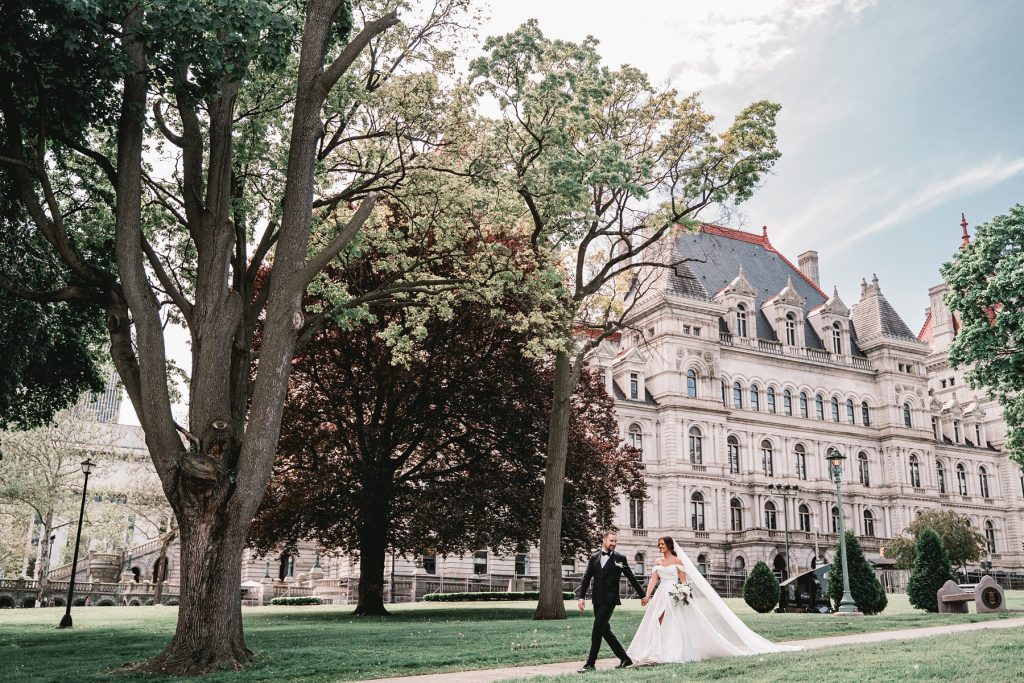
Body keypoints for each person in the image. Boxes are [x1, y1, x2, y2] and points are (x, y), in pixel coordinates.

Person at [627, 536, 802, 665]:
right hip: (660, 594)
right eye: (659, 545)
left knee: (669, 621)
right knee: (656, 620)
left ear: (669, 546)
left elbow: (683, 581)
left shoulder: (678, 560)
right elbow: (653, 580)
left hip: (673, 593)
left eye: (662, 544)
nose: (659, 547)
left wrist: (682, 592)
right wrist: (647, 595)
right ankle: (654, 651)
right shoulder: (657, 561)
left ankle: (667, 652)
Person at [576, 531, 645, 673]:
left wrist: (642, 595)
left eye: (615, 541)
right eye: (611, 541)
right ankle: (625, 658)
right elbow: (587, 578)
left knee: (597, 629)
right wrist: (581, 597)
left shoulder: (620, 558)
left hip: (610, 600)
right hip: (597, 599)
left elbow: (631, 577)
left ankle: (590, 663)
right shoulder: (594, 557)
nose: (613, 544)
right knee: (604, 630)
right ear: (604, 540)